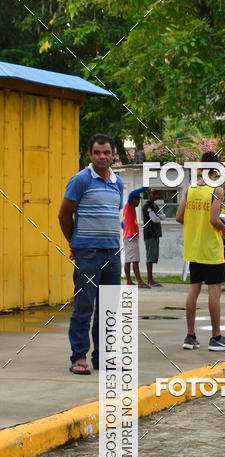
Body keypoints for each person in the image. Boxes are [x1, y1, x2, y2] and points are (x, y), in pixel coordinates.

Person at [58, 133, 123, 375]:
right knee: (84, 307)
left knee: (108, 309)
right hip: (88, 255)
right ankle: (79, 358)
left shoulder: (118, 182)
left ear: (113, 155)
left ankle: (103, 357)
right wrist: (74, 243)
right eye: (97, 153)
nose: (102, 157)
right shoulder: (81, 180)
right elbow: (64, 214)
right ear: (90, 154)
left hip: (112, 255)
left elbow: (112, 213)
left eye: (106, 153)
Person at [175, 151, 225, 351]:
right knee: (214, 291)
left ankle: (190, 336)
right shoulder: (217, 190)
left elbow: (179, 217)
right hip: (211, 249)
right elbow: (214, 219)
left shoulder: (192, 188)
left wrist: (195, 226)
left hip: (194, 249)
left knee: (193, 290)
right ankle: (216, 337)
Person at [123, 187, 150, 288]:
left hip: (127, 236)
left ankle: (129, 281)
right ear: (132, 199)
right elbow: (132, 193)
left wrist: (127, 229)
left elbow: (122, 223)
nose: (138, 201)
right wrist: (145, 188)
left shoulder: (129, 210)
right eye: (137, 199)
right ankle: (140, 282)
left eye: (139, 199)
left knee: (128, 260)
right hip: (131, 237)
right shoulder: (129, 206)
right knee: (135, 260)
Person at [142, 188, 165, 287]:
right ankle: (150, 280)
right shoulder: (146, 206)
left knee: (153, 256)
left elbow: (163, 216)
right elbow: (155, 219)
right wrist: (158, 216)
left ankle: (151, 280)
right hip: (150, 234)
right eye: (154, 194)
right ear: (149, 194)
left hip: (155, 234)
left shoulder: (155, 205)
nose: (156, 196)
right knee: (150, 257)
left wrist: (158, 216)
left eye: (157, 194)